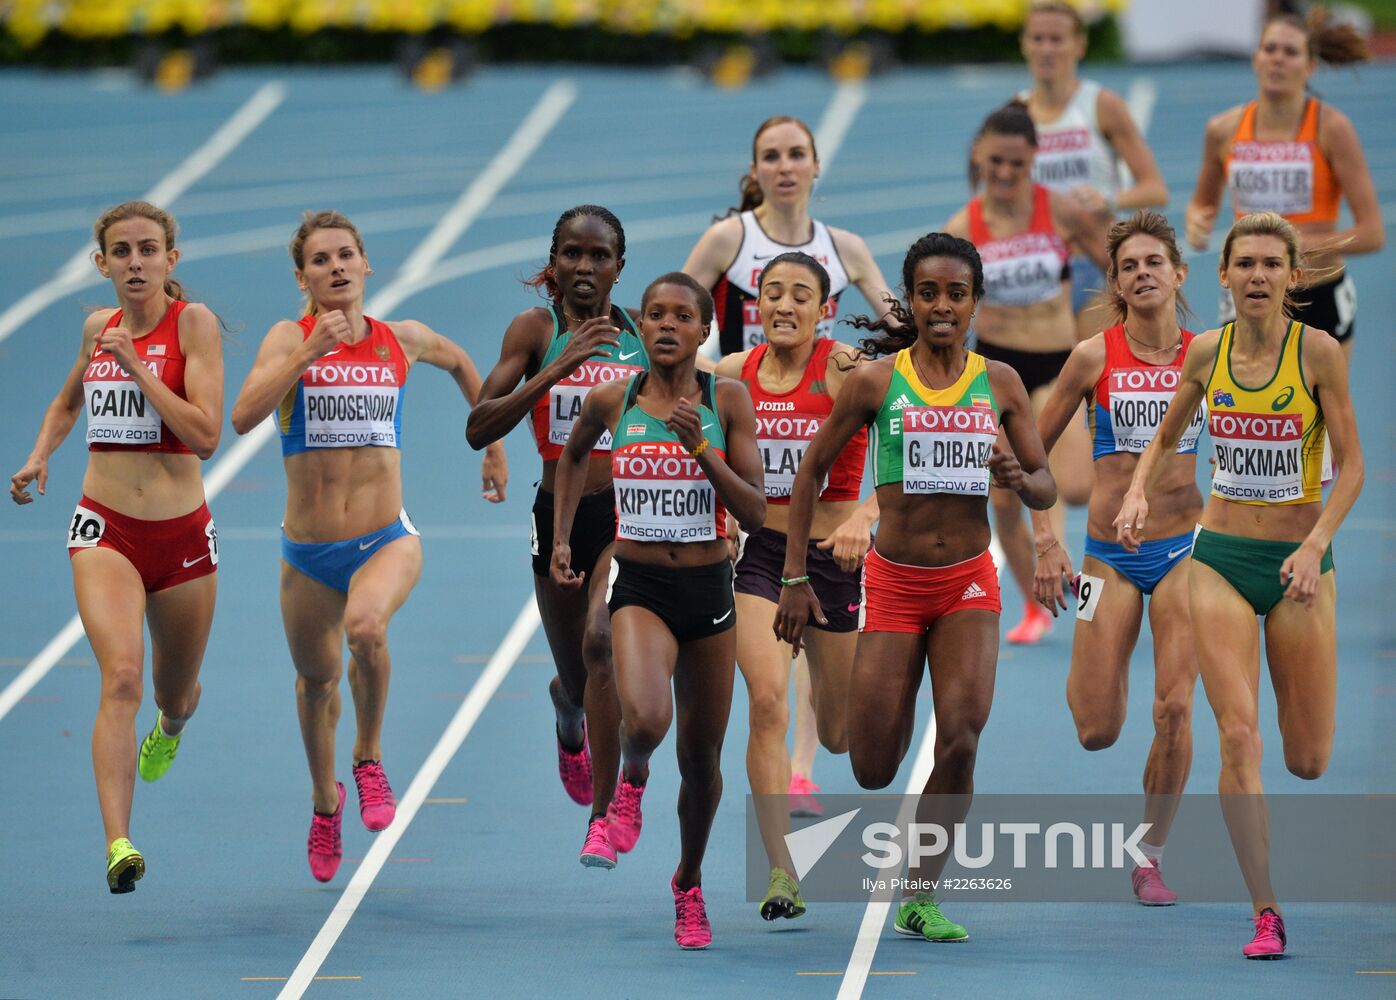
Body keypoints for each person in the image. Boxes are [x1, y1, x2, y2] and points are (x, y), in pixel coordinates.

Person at [776, 233, 1056, 943]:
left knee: (961, 736)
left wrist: (1021, 481)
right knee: (871, 768)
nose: (941, 305)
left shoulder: (1000, 384)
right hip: (895, 584)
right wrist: (794, 575)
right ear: (912, 299)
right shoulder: (875, 382)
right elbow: (809, 474)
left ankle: (921, 895)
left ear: (973, 303)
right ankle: (886, 727)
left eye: (955, 294)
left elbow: (1045, 480)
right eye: (927, 293)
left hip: (967, 584)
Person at [231, 210, 506, 883]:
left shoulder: (400, 339)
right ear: (303, 277)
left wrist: (491, 442)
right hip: (308, 552)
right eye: (321, 260)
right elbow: (241, 417)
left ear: (366, 265)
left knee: (367, 628)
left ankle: (369, 757)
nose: (337, 268)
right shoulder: (285, 338)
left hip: (386, 537)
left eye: (346, 255)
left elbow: (464, 362)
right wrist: (303, 355)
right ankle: (327, 803)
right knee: (317, 681)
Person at [1116, 211, 1363, 958]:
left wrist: (1316, 544)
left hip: (1298, 569)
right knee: (1237, 735)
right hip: (1220, 557)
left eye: (1270, 265)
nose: (1257, 276)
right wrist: (1137, 490)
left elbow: (1352, 465)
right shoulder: (1205, 353)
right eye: (1244, 264)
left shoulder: (1317, 353)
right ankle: (1266, 909)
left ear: (1292, 277)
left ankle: (1262, 886)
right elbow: (1166, 431)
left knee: (1307, 757)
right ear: (1222, 276)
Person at [10, 201, 223, 893]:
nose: (136, 262)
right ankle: (119, 843)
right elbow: (70, 401)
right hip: (105, 529)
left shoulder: (192, 326)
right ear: (102, 264)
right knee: (121, 676)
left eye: (149, 249)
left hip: (182, 538)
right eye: (122, 251)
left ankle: (173, 724)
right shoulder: (95, 328)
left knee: (174, 692)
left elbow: (205, 434)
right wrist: (42, 453)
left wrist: (138, 369)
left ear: (171, 260)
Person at [552, 273, 765, 950]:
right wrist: (561, 536)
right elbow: (572, 454)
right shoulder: (614, 399)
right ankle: (632, 777)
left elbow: (757, 511)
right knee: (645, 720)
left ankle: (689, 883)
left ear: (705, 332)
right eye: (654, 315)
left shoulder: (726, 399)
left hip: (708, 593)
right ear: (640, 326)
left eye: (682, 316)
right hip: (638, 583)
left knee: (701, 762)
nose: (667, 325)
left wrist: (701, 451)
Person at [466, 205, 648, 867]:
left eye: (599, 257)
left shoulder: (640, 334)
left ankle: (601, 818)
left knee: (602, 643)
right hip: (560, 518)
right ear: (554, 260)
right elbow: (479, 424)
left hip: (632, 519)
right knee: (578, 674)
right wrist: (554, 369)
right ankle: (567, 712)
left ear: (619, 270)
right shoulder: (535, 330)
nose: (584, 267)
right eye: (572, 253)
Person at [1031, 211, 1203, 905]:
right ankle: (1103, 671)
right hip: (1106, 559)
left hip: (1187, 551)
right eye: (1128, 266)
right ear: (1116, 284)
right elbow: (1028, 457)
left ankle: (1149, 854)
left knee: (1176, 708)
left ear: (1178, 274)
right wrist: (1049, 540)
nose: (1142, 273)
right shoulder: (1093, 356)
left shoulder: (1208, 354)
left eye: (1153, 262)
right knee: (1097, 728)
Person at [712, 251, 873, 920]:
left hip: (835, 557)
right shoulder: (728, 376)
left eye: (799, 295)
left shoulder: (845, 372)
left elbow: (906, 453)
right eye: (771, 292)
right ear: (754, 307)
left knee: (838, 735)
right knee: (769, 703)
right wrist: (719, 524)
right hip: (764, 554)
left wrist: (868, 514)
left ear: (824, 309)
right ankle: (783, 870)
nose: (782, 305)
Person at [946, 101, 1108, 644]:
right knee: (1003, 498)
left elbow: (1118, 265)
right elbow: (943, 309)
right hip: (997, 369)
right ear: (979, 156)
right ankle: (1038, 603)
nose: (1007, 174)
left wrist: (1103, 334)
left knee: (1077, 487)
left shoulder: (1059, 210)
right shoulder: (964, 227)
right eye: (996, 162)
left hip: (1056, 363)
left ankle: (1073, 583)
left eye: (1018, 163)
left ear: (1034, 159)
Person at [1186, 5, 1382, 359]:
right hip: (1249, 292)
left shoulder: (1332, 128)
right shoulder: (1223, 130)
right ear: (1255, 58)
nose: (1277, 59)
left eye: (1290, 52)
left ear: (1309, 66)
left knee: (1322, 411)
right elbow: (1203, 205)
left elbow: (1372, 233)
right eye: (1269, 49)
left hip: (1317, 292)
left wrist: (1298, 246)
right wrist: (1196, 222)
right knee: (1245, 407)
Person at [1017, 0, 1170, 340]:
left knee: (1095, 379)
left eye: (1057, 39)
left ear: (1079, 45)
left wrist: (1109, 198)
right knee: (1047, 384)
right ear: (1024, 44)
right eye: (1038, 39)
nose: (1047, 49)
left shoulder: (1101, 105)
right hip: (1039, 270)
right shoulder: (1016, 113)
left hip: (1094, 261)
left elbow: (1155, 188)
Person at [682, 114, 894, 357]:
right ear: (754, 170)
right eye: (771, 157)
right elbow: (669, 325)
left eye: (796, 154)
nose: (785, 167)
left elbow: (905, 332)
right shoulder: (726, 240)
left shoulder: (846, 248)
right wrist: (723, 377)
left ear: (816, 165)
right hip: (740, 394)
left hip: (820, 395)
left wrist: (863, 373)